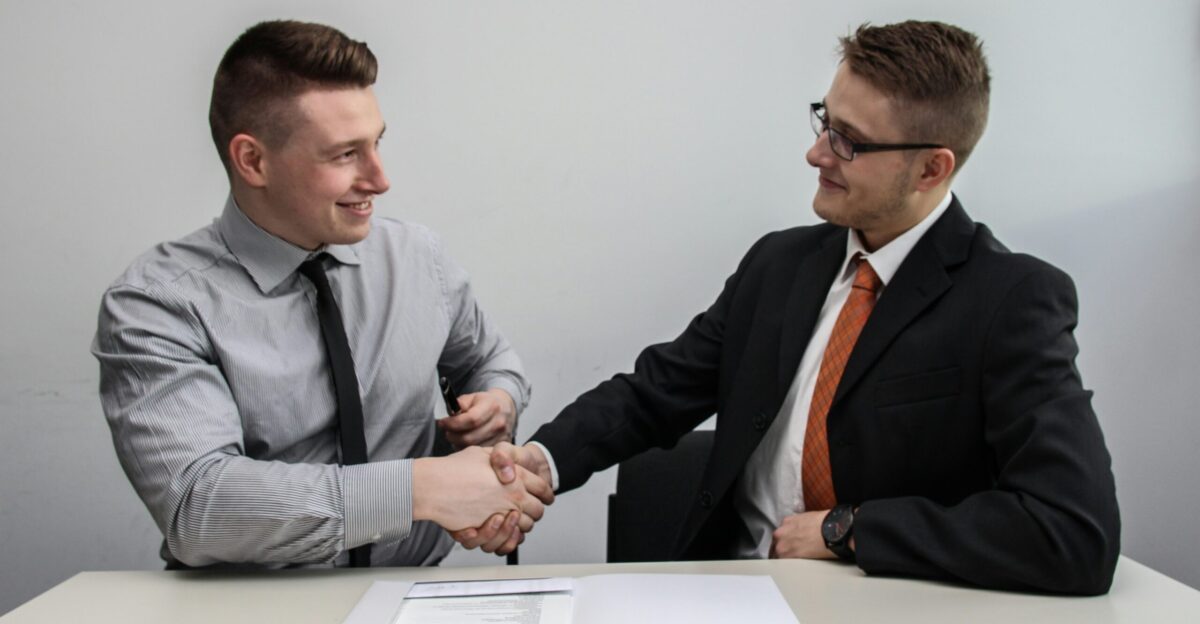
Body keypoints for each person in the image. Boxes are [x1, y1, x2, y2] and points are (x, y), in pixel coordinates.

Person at [461, 20, 1120, 595]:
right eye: (824, 122)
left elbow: (1072, 532)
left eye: (849, 142)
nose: (816, 153)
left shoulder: (1011, 300)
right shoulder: (781, 265)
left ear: (931, 169)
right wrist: (536, 463)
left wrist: (848, 530)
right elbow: (654, 394)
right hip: (728, 594)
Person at [92, 19, 548, 569]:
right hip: (249, 610)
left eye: (377, 143)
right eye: (344, 154)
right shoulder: (157, 304)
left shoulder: (418, 258)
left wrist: (496, 403)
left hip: (413, 593)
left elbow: (490, 361)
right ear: (253, 161)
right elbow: (199, 507)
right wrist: (419, 489)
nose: (380, 180)